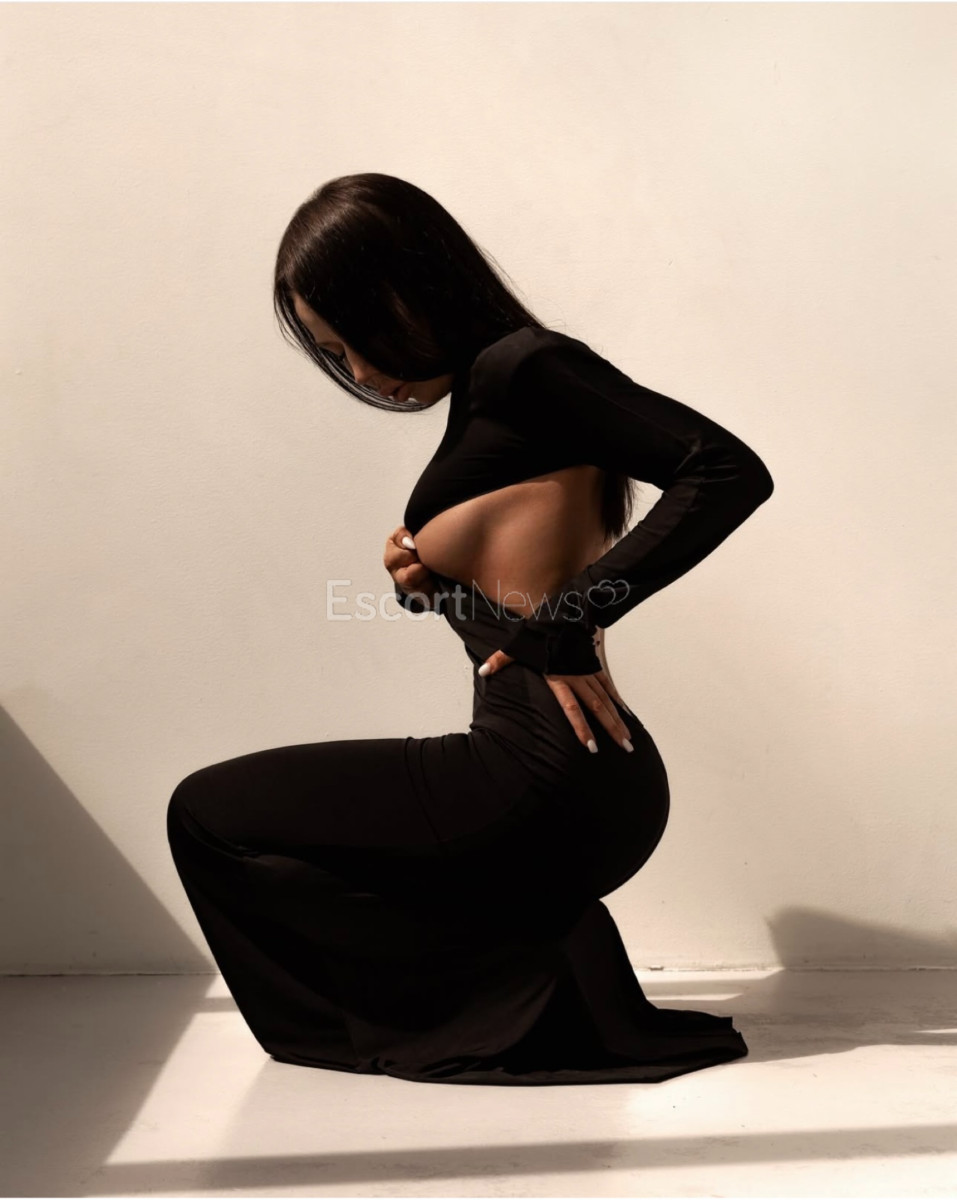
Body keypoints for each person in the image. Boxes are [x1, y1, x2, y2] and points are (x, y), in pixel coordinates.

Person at [166, 172, 774, 1086]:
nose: (359, 372)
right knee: (234, 819)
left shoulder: (525, 370)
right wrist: (428, 579)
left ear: (413, 284)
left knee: (208, 816)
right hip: (571, 777)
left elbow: (725, 471)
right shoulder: (492, 402)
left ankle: (485, 1003)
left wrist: (570, 620)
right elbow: (515, 598)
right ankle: (533, 983)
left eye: (356, 337)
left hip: (538, 780)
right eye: (334, 355)